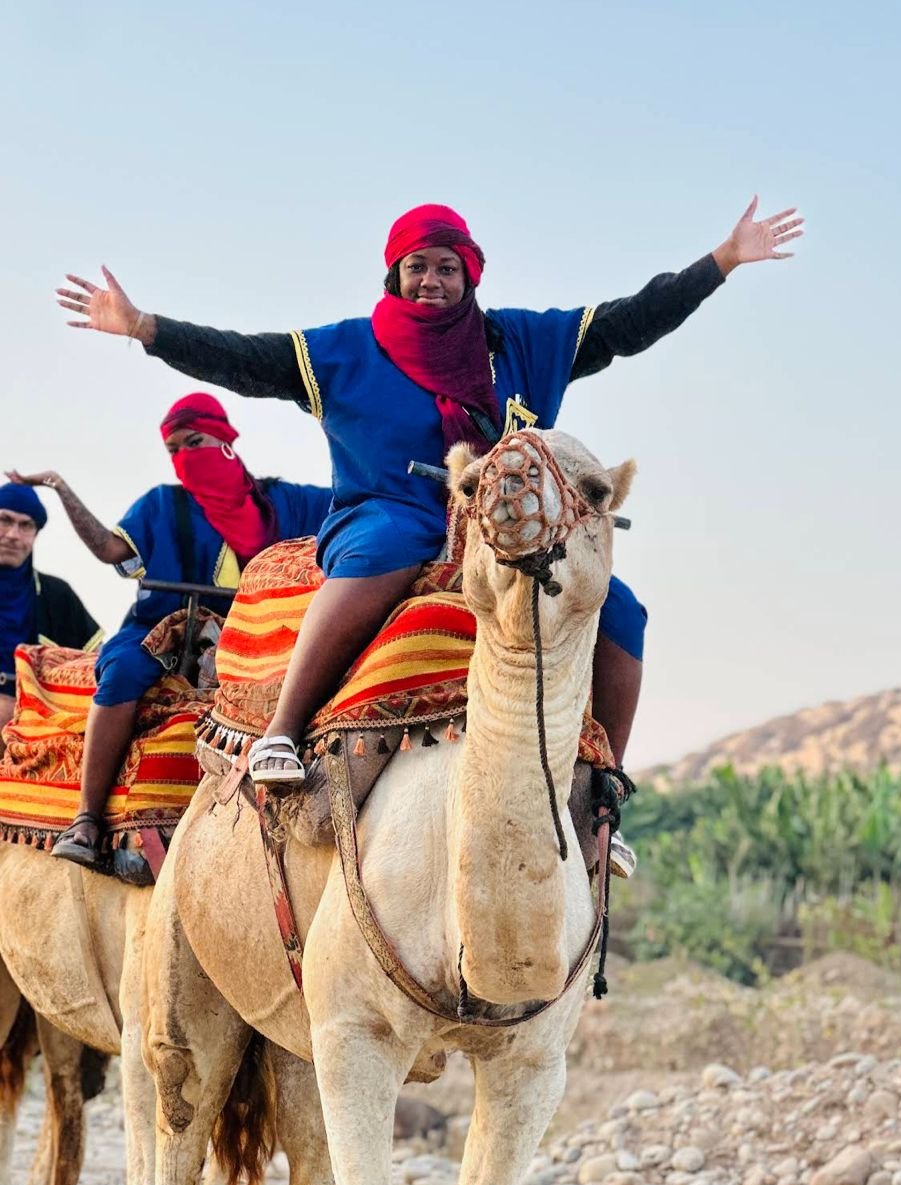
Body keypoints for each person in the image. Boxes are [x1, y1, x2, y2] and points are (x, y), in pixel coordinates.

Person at [57, 197, 804, 872]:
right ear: (393, 275)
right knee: (388, 548)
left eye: (447, 267)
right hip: (389, 507)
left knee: (619, 608)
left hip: (500, 525)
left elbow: (627, 321)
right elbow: (245, 359)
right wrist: (144, 328)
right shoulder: (344, 351)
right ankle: (281, 733)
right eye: (416, 267)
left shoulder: (520, 344)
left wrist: (722, 261)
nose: (431, 281)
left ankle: (602, 789)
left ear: (469, 275)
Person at [9, 393, 329, 864]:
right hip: (162, 622)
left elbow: (349, 508)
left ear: (224, 439)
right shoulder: (163, 504)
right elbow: (107, 549)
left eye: (193, 442)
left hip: (258, 627)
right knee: (120, 674)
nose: (183, 457)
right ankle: (87, 819)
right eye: (173, 450)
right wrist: (60, 486)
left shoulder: (288, 503)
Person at [0, 481, 101, 729]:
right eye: (4, 520)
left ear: (35, 533)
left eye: (25, 525)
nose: (13, 534)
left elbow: (96, 660)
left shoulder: (56, 594)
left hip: (39, 721)